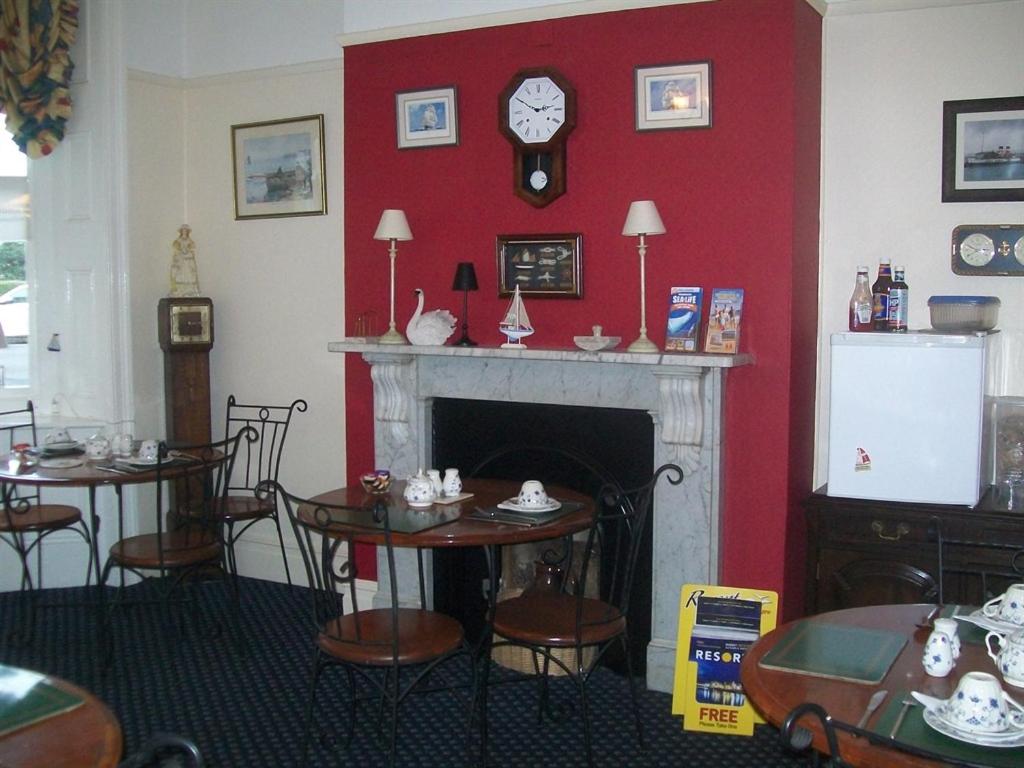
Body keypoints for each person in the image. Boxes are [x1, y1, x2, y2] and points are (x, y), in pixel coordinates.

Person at [170, 224, 200, 298]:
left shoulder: (190, 241)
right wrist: (180, 251)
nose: (184, 232)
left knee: (189, 273)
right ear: (181, 231)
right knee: (180, 273)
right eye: (183, 231)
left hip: (187, 259)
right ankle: (179, 290)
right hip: (181, 259)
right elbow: (176, 247)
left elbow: (192, 247)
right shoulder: (178, 240)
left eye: (186, 231)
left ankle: (190, 290)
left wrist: (188, 251)